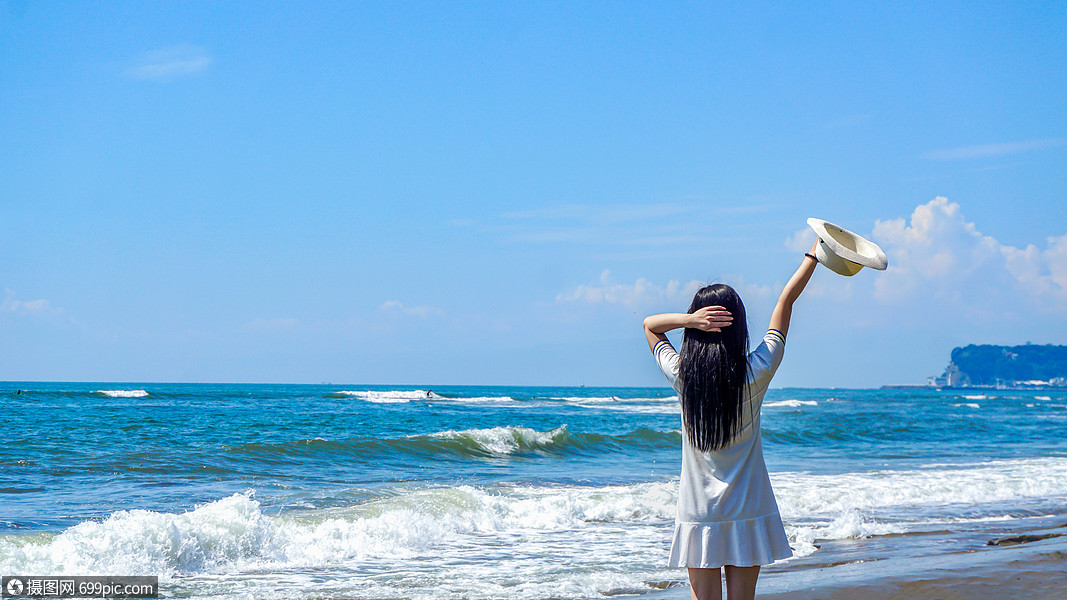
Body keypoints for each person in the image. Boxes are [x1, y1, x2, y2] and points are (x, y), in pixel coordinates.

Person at [642, 241, 819, 600]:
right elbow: (785, 302)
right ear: (739, 328)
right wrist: (813, 257)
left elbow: (650, 326)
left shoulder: (684, 376)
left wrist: (691, 320)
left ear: (696, 330)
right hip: (748, 507)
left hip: (699, 511)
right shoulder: (757, 371)